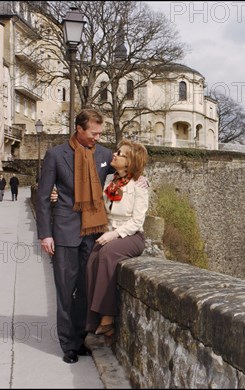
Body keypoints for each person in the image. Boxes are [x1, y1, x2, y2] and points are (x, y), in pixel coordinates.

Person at [36, 108, 114, 364]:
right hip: (64, 231)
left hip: (93, 233)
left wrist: (140, 179)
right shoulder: (56, 155)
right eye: (93, 133)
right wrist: (45, 234)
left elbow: (126, 171)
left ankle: (80, 339)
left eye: (100, 133)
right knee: (65, 289)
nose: (97, 137)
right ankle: (68, 345)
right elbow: (44, 197)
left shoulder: (104, 154)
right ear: (79, 129)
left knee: (85, 290)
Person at [85, 140, 149, 340]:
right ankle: (94, 321)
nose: (115, 154)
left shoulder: (139, 185)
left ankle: (107, 319)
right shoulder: (110, 182)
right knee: (92, 260)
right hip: (110, 231)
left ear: (129, 162)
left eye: (120, 153)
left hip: (131, 235)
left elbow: (138, 220)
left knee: (106, 255)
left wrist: (114, 234)